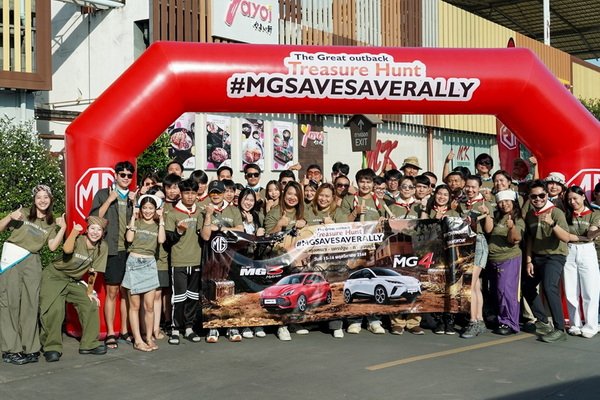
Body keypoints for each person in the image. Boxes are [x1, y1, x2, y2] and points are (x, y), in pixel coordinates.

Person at [0, 185, 66, 365]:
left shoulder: (51, 222)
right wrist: (9, 217)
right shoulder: (22, 213)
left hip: (33, 261)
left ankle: (29, 348)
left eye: (46, 197)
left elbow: (52, 247)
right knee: (10, 304)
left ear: (51, 200)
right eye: (39, 197)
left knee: (30, 305)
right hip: (13, 259)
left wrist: (63, 228)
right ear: (34, 200)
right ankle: (10, 350)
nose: (42, 200)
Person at [39, 217, 109, 362]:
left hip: (73, 280)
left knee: (90, 303)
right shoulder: (78, 240)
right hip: (54, 276)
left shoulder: (102, 247)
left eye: (99, 230)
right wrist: (74, 232)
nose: (95, 232)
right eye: (92, 228)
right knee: (55, 310)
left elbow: (93, 272)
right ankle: (51, 347)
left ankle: (89, 344)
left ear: (103, 233)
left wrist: (89, 292)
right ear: (87, 230)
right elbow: (67, 249)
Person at [89, 160, 135, 349]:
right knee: (112, 292)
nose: (126, 178)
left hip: (131, 251)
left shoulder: (133, 196)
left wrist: (135, 203)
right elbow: (94, 219)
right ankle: (110, 333)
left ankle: (124, 330)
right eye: (122, 174)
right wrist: (109, 199)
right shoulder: (103, 193)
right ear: (116, 176)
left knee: (127, 292)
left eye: (129, 175)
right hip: (112, 250)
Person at [522, 179, 571, 343]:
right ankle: (542, 321)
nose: (538, 199)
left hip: (555, 256)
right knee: (527, 286)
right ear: (529, 198)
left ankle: (559, 329)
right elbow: (530, 238)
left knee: (550, 288)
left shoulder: (556, 213)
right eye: (534, 196)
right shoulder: (530, 215)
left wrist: (552, 224)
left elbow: (566, 238)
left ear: (546, 195)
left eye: (541, 195)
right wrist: (529, 261)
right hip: (537, 257)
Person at [340, 168, 385, 335]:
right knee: (356, 283)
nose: (365, 185)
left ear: (373, 184)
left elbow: (386, 225)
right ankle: (355, 320)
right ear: (357, 182)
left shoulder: (379, 202)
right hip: (354, 249)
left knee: (374, 283)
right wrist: (355, 213)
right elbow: (342, 223)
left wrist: (383, 222)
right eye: (362, 181)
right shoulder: (349, 199)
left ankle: (374, 319)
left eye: (368, 182)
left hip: (373, 249)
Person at [199, 180, 244, 343]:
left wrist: (220, 229)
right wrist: (208, 216)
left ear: (224, 193)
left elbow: (240, 230)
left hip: (230, 257)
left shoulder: (233, 210)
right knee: (211, 291)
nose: (216, 195)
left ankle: (232, 326)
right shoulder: (203, 209)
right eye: (213, 192)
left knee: (231, 292)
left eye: (219, 192)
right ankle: (213, 326)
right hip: (210, 257)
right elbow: (205, 235)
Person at [264, 181, 307, 341]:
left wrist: (305, 223)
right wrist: (279, 225)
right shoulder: (275, 212)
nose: (292, 197)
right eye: (289, 194)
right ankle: (281, 326)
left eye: (296, 195)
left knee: (295, 291)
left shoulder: (302, 211)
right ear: (284, 194)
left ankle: (293, 322)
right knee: (281, 292)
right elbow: (266, 237)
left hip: (295, 260)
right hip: (276, 259)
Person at [123, 195, 166, 352]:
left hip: (150, 265)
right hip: (134, 263)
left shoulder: (157, 225)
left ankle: (148, 337)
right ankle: (138, 340)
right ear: (140, 209)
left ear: (156, 210)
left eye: (151, 208)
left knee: (149, 306)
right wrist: (133, 218)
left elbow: (161, 240)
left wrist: (161, 220)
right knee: (134, 306)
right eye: (145, 208)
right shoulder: (137, 222)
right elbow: (129, 238)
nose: (148, 211)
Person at [165, 179, 203, 345]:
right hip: (178, 261)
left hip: (196, 261)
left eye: (193, 193)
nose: (190, 196)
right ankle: (175, 328)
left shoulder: (200, 212)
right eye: (187, 193)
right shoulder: (172, 213)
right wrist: (179, 231)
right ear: (181, 194)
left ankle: (189, 328)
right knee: (178, 297)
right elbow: (168, 240)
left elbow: (204, 234)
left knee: (192, 297)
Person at [483, 190, 525, 335]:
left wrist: (512, 227)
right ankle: (501, 319)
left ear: (513, 202)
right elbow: (488, 230)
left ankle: (510, 323)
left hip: (509, 258)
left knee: (507, 292)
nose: (504, 204)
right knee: (498, 292)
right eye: (501, 202)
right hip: (494, 259)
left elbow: (515, 240)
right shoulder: (498, 217)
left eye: (507, 201)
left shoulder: (517, 218)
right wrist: (487, 214)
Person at [387, 176, 425, 335]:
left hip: (416, 250)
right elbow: (386, 230)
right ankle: (397, 321)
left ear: (415, 189)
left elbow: (426, 227)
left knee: (415, 285)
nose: (407, 189)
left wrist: (424, 210)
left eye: (410, 187)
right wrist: (388, 221)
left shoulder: (420, 206)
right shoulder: (392, 207)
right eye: (404, 186)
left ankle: (413, 321)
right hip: (397, 250)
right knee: (396, 283)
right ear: (399, 188)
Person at [458, 175, 494, 339]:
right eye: (468, 186)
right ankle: (479, 320)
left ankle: (473, 321)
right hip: (463, 243)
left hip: (478, 243)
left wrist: (487, 214)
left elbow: (488, 229)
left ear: (479, 187)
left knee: (469, 284)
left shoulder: (485, 203)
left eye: (473, 187)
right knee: (476, 286)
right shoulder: (461, 203)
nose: (470, 190)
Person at [421, 185, 459, 335]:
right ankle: (438, 321)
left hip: (450, 254)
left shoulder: (454, 212)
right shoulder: (428, 211)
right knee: (436, 286)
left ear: (449, 198)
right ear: (434, 194)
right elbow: (423, 231)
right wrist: (435, 219)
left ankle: (449, 320)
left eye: (445, 195)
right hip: (432, 254)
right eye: (439, 194)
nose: (442, 197)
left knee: (450, 286)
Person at [563, 185, 600, 338]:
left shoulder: (594, 214)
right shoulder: (565, 215)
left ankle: (591, 326)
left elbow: (591, 233)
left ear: (583, 197)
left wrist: (595, 232)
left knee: (590, 290)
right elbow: (565, 235)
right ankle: (575, 324)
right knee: (571, 291)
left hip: (587, 251)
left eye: (575, 198)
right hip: (569, 251)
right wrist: (582, 237)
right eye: (569, 199)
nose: (572, 202)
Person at [236, 188, 266, 339]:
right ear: (240, 199)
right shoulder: (235, 214)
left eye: (251, 200)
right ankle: (243, 324)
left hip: (254, 259)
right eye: (246, 199)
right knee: (241, 293)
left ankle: (256, 322)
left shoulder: (256, 215)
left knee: (254, 292)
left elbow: (260, 239)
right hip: (238, 259)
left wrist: (259, 233)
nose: (248, 203)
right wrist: (250, 231)